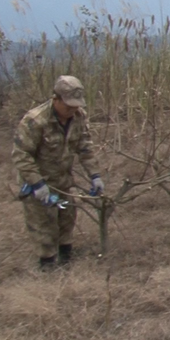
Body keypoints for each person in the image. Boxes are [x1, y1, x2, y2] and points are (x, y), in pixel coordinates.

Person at [12, 75, 105, 271]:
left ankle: (66, 260)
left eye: (75, 106)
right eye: (68, 106)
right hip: (39, 183)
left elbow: (85, 147)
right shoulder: (35, 121)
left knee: (67, 221)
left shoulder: (78, 116)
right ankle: (47, 268)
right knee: (44, 226)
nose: (72, 110)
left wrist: (95, 176)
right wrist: (37, 184)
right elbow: (22, 155)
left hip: (63, 181)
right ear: (56, 99)